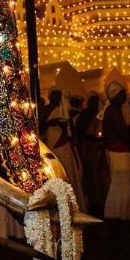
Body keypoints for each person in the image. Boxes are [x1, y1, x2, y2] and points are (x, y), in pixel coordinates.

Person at [42, 65, 88, 211]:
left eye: (58, 94)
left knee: (69, 172)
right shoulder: (46, 110)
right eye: (54, 94)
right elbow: (41, 126)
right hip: (52, 145)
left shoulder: (65, 110)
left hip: (64, 144)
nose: (56, 97)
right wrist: (53, 122)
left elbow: (71, 128)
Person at [102, 73, 130, 223]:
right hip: (118, 151)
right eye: (122, 94)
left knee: (123, 182)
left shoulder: (115, 110)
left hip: (118, 150)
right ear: (115, 96)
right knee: (121, 183)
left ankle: (123, 213)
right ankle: (118, 213)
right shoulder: (112, 111)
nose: (125, 97)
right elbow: (120, 133)